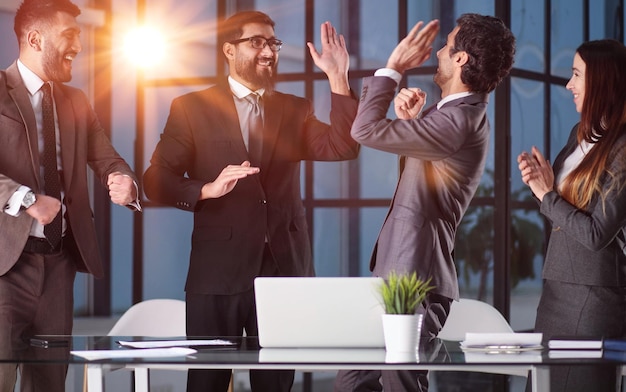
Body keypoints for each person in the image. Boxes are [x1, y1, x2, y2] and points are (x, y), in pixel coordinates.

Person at [143, 10, 359, 392]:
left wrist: (337, 77)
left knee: (276, 383)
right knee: (207, 382)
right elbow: (156, 181)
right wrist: (206, 189)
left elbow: (343, 147)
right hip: (216, 272)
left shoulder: (295, 109)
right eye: (256, 42)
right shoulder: (191, 108)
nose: (268, 51)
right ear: (229, 49)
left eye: (272, 43)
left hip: (283, 270)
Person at [334, 14, 515, 392]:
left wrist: (394, 68)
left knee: (399, 381)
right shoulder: (449, 114)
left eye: (447, 47)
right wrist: (413, 123)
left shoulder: (459, 120)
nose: (438, 53)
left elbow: (364, 130)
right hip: (402, 269)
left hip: (415, 273)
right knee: (353, 380)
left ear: (461, 59)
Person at [0, 0, 141, 390]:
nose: (78, 46)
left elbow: (108, 157)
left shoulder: (76, 101)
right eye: (69, 35)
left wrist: (124, 180)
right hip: (5, 269)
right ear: (34, 38)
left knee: (49, 383)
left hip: (59, 266)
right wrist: (28, 199)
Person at [517, 39, 626, 392]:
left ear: (602, 81)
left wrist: (547, 194)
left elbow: (596, 235)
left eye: (576, 74)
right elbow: (563, 217)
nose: (569, 84)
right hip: (557, 293)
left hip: (593, 300)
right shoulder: (579, 135)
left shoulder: (623, 148)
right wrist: (543, 185)